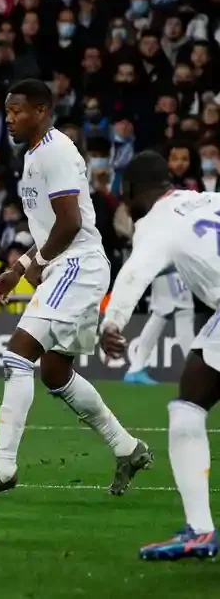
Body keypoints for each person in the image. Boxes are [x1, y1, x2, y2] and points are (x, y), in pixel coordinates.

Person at [0, 80, 150, 498]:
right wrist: (19, 267)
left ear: (42, 111)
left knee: (17, 354)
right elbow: (50, 228)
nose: (9, 119)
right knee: (56, 373)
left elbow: (70, 224)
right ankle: (127, 448)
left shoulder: (56, 152)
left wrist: (38, 264)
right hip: (72, 265)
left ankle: (3, 467)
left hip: (76, 265)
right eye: (7, 111)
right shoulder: (34, 155)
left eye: (17, 111)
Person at [100, 152, 220, 560]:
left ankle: (200, 532)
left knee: (188, 409)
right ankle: (200, 532)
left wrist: (112, 323)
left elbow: (135, 272)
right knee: (192, 396)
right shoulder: (206, 199)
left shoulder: (156, 221)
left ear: (131, 190)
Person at [123, 269, 193, 385]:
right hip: (172, 272)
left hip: (171, 271)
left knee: (162, 316)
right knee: (179, 313)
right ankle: (196, 372)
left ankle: (136, 368)